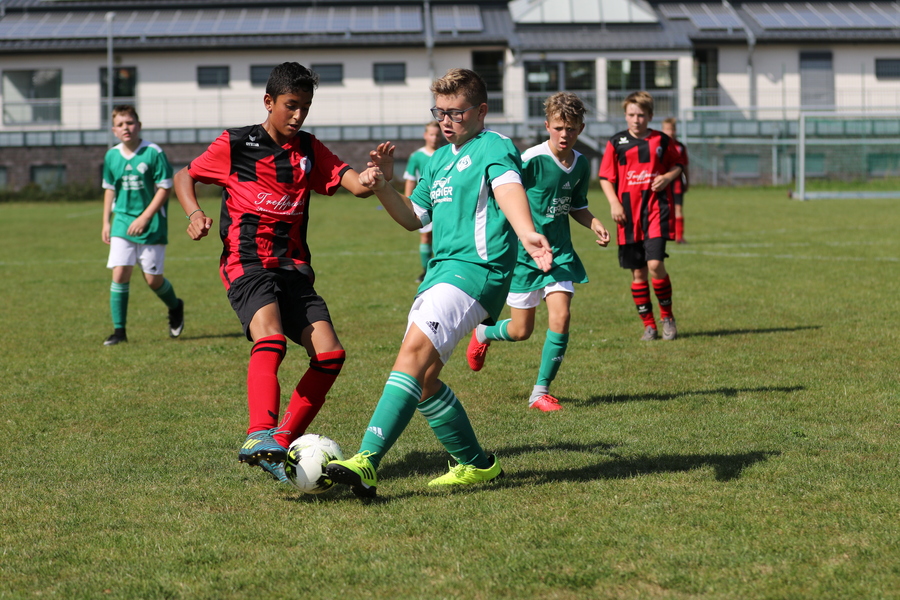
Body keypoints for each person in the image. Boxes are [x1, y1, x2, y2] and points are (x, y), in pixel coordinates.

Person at [325, 68, 553, 498]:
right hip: (441, 274)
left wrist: (526, 232)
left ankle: (367, 460)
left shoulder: (493, 145)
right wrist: (383, 187)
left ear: (481, 111)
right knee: (425, 377)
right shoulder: (436, 161)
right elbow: (415, 218)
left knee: (411, 352)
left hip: (476, 273)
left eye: (457, 113)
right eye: (440, 112)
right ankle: (477, 464)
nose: (447, 121)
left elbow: (506, 188)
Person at [172, 62, 391, 484]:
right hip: (247, 264)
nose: (298, 116)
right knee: (269, 337)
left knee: (330, 354)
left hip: (292, 270)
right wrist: (195, 212)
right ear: (269, 101)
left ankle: (282, 440)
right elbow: (186, 175)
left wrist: (373, 176)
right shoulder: (235, 143)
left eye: (305, 108)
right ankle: (259, 434)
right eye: (291, 106)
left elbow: (356, 186)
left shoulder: (309, 149)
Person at [465, 92, 609, 412]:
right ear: (547, 126)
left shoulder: (582, 163)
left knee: (561, 315)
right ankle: (484, 332)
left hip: (559, 253)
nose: (564, 135)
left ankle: (540, 392)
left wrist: (594, 222)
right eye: (558, 127)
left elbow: (577, 205)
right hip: (524, 256)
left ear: (581, 129)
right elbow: (504, 197)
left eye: (571, 129)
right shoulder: (531, 159)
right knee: (521, 331)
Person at [599, 91, 684, 341]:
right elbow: (605, 177)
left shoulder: (661, 140)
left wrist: (668, 177)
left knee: (655, 264)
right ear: (625, 115)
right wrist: (614, 203)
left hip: (656, 211)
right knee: (638, 274)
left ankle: (667, 317)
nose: (636, 119)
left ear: (650, 116)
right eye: (631, 115)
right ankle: (649, 325)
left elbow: (678, 165)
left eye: (641, 115)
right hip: (627, 216)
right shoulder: (616, 142)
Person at [101, 104, 184, 346]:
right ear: (113, 130)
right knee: (120, 272)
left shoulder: (154, 152)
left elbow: (165, 188)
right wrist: (106, 221)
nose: (125, 128)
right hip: (122, 221)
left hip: (152, 222)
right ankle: (119, 332)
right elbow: (109, 189)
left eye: (129, 123)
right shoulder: (111, 155)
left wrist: (145, 217)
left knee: (152, 280)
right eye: (120, 124)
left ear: (139, 125)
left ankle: (175, 306)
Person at [403, 122, 442, 282]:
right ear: (425, 136)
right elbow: (411, 181)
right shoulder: (417, 156)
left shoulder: (446, 153)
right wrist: (407, 204)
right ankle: (426, 271)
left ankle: (440, 271)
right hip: (426, 204)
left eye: (437, 135)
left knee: (441, 238)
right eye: (431, 134)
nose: (434, 138)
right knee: (426, 237)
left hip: (443, 202)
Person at [661, 117, 689, 244]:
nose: (670, 132)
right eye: (667, 129)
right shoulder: (659, 145)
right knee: (663, 209)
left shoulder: (680, 147)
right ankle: (663, 234)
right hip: (662, 183)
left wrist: (687, 181)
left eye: (672, 129)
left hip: (676, 183)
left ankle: (680, 237)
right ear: (662, 130)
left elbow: (685, 166)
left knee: (678, 209)